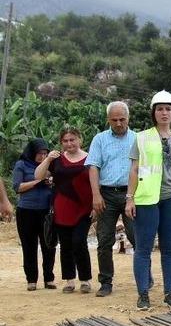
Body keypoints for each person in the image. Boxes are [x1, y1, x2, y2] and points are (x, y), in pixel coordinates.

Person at [125, 90, 171, 311]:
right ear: (154, 113)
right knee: (143, 249)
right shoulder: (141, 138)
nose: (164, 113)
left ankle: (170, 294)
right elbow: (134, 170)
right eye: (160, 109)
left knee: (169, 249)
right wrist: (129, 199)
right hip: (147, 200)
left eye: (168, 109)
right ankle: (143, 294)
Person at [86, 101, 137, 297]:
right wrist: (96, 195)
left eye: (122, 119)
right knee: (104, 240)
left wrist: (134, 196)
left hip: (130, 194)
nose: (118, 123)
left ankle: (144, 278)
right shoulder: (99, 139)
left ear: (128, 118)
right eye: (114, 120)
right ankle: (106, 282)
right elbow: (93, 167)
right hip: (106, 194)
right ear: (108, 119)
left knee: (137, 238)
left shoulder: (137, 139)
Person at [34, 127, 93, 294]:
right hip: (61, 207)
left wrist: (97, 203)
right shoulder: (57, 160)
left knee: (79, 242)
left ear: (79, 139)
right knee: (66, 245)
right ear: (61, 143)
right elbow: (38, 176)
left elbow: (97, 181)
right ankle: (69, 280)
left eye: (72, 140)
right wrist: (47, 160)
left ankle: (85, 280)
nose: (69, 143)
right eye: (65, 141)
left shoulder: (90, 158)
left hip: (84, 208)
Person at [12, 138, 56, 291]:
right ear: (32, 153)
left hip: (46, 211)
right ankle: (31, 279)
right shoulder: (22, 165)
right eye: (39, 154)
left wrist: (50, 182)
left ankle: (49, 278)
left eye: (45, 153)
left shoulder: (50, 165)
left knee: (48, 245)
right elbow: (17, 187)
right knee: (29, 246)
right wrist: (37, 182)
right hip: (26, 211)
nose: (42, 157)